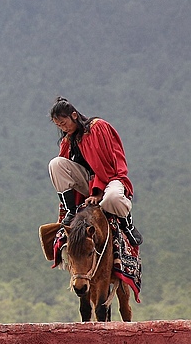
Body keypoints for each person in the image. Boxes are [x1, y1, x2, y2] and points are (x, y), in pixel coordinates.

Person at [48, 97, 142, 245]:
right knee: (56, 164)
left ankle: (128, 225)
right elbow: (64, 172)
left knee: (112, 199)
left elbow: (104, 165)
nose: (63, 128)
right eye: (59, 126)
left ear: (73, 115)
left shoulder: (97, 127)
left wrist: (98, 193)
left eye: (64, 123)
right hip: (88, 182)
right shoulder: (69, 140)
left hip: (110, 178)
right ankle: (71, 211)